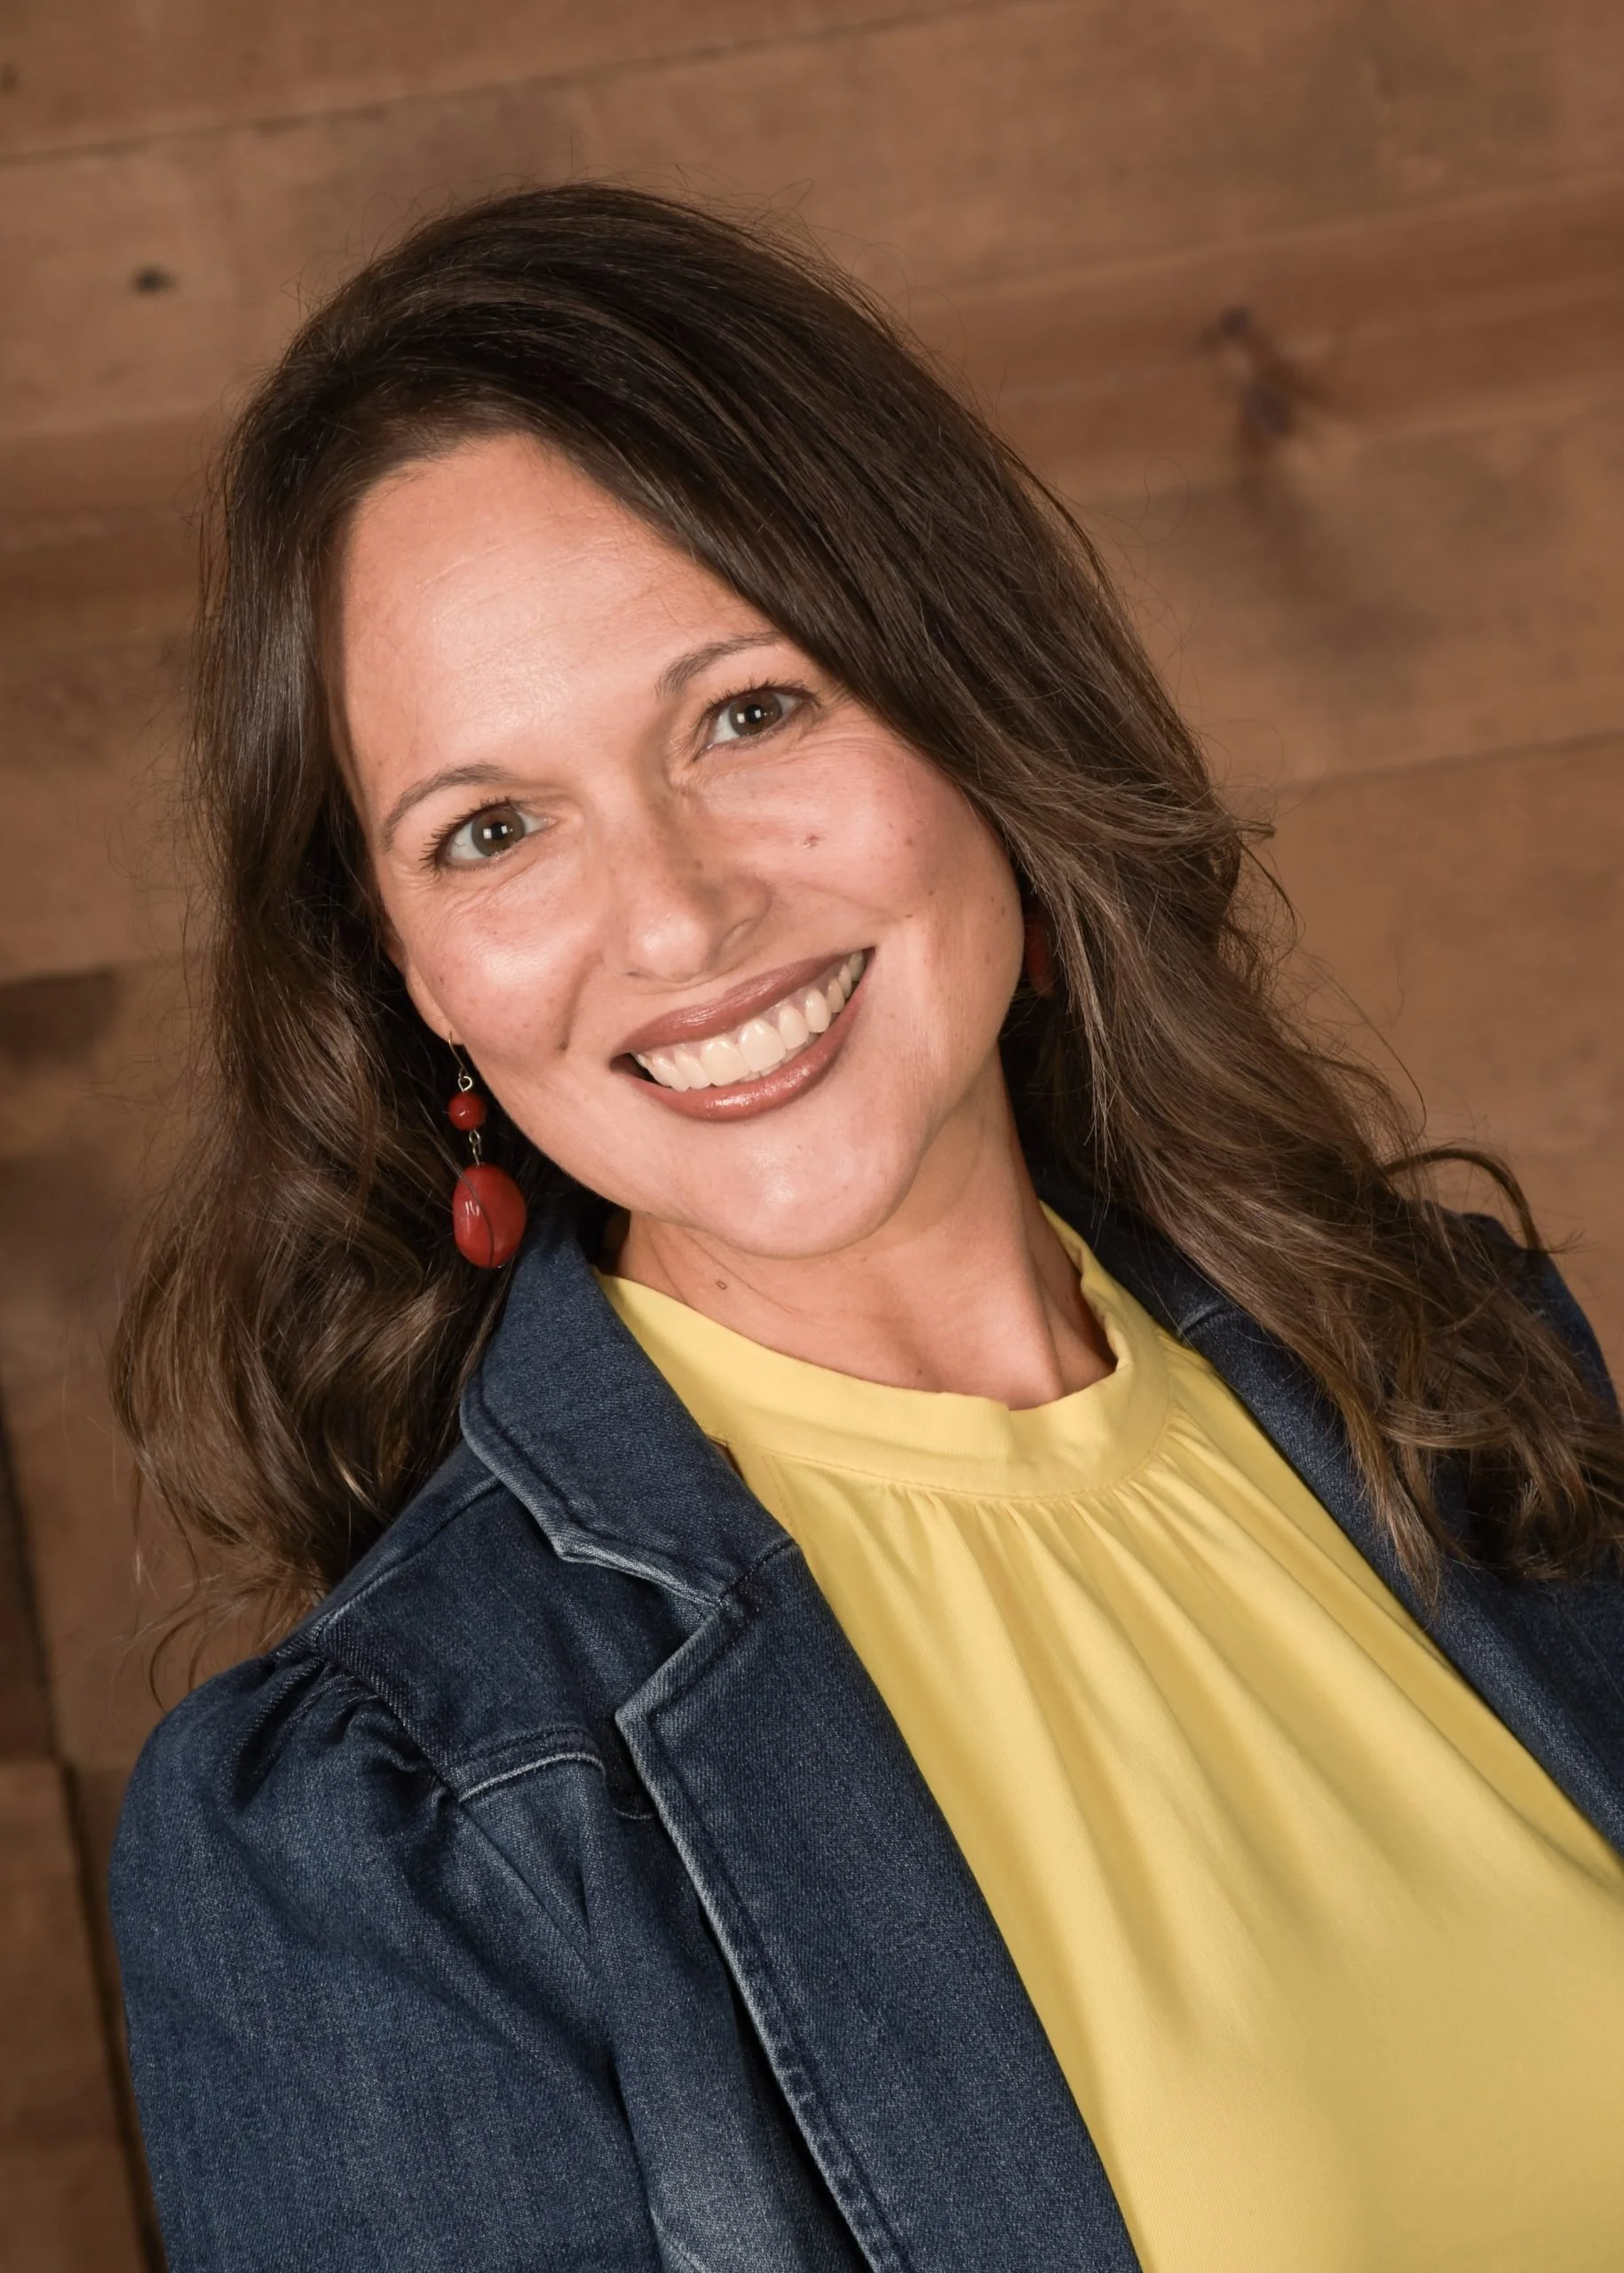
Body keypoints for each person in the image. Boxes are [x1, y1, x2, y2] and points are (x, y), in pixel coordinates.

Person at [109, 185, 1624, 2273]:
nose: (673, 914)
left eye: (746, 711)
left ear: (962, 698)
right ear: (409, 973)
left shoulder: (1445, 1376)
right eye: (492, 828)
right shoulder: (389, 1818)